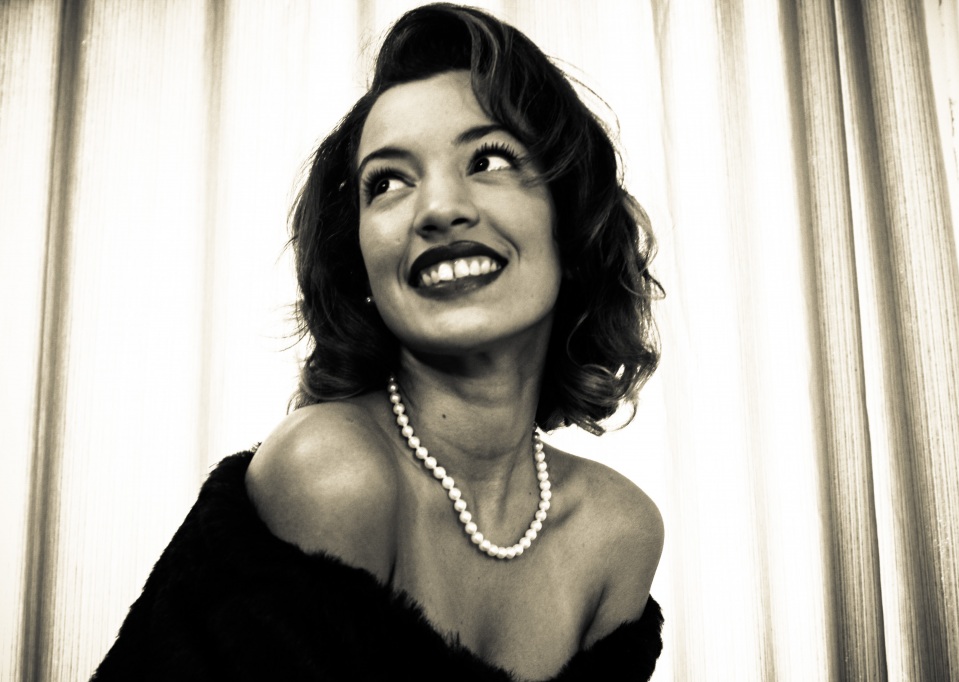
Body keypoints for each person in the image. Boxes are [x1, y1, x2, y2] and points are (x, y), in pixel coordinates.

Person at [92, 3, 664, 680]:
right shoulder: (330, 472)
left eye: (489, 159)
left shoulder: (621, 531)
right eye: (388, 182)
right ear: (361, 262)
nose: (439, 209)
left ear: (571, 222)